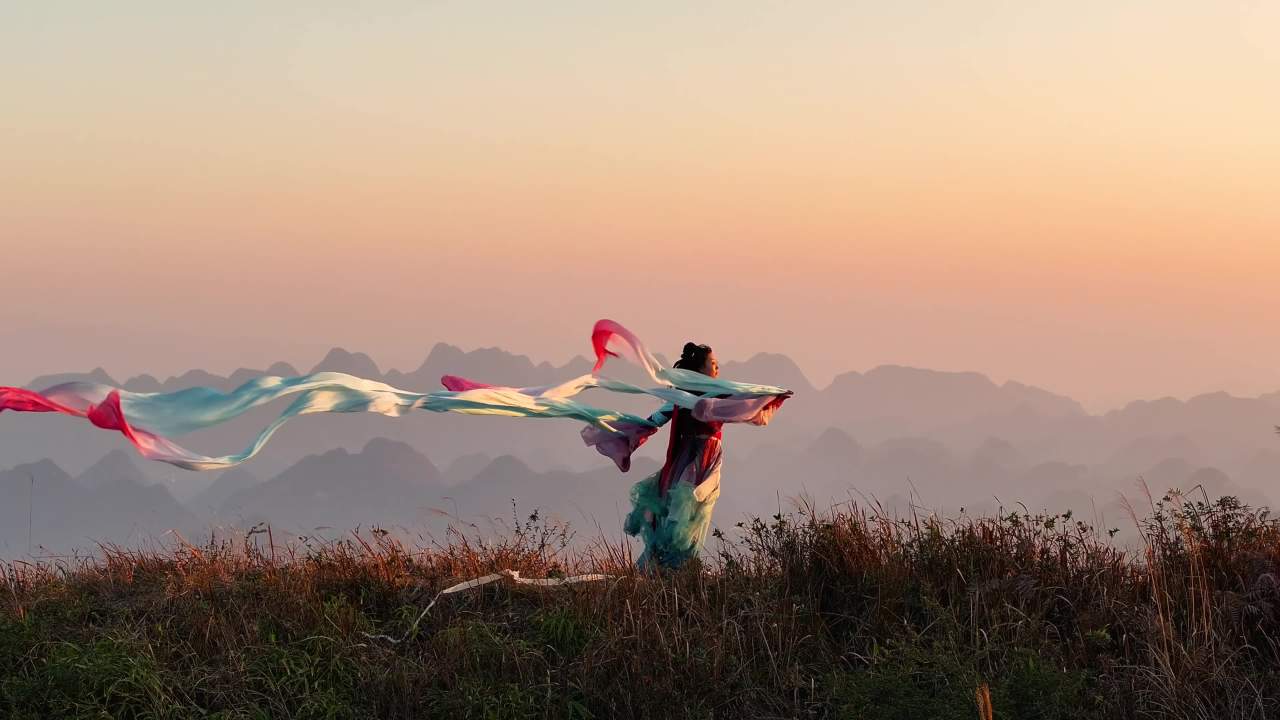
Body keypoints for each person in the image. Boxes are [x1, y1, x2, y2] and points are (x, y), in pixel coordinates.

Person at [621, 342, 781, 569]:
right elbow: (746, 405)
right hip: (696, 462)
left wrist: (773, 395)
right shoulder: (703, 397)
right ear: (700, 370)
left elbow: (746, 403)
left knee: (684, 517)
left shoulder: (691, 398)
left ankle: (666, 571)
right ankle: (670, 572)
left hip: (691, 461)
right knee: (685, 515)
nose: (717, 369)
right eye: (713, 364)